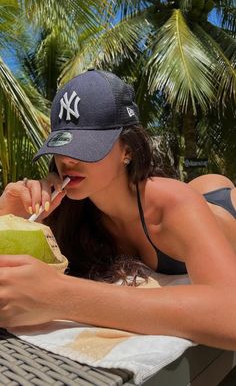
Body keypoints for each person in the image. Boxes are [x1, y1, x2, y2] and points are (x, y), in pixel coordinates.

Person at [0, 70, 235, 351]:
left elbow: (229, 315)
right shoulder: (69, 210)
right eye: (61, 144)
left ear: (128, 150)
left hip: (222, 209)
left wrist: (61, 297)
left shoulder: (172, 205)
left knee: (202, 193)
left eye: (86, 146)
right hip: (181, 203)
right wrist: (8, 211)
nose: (66, 159)